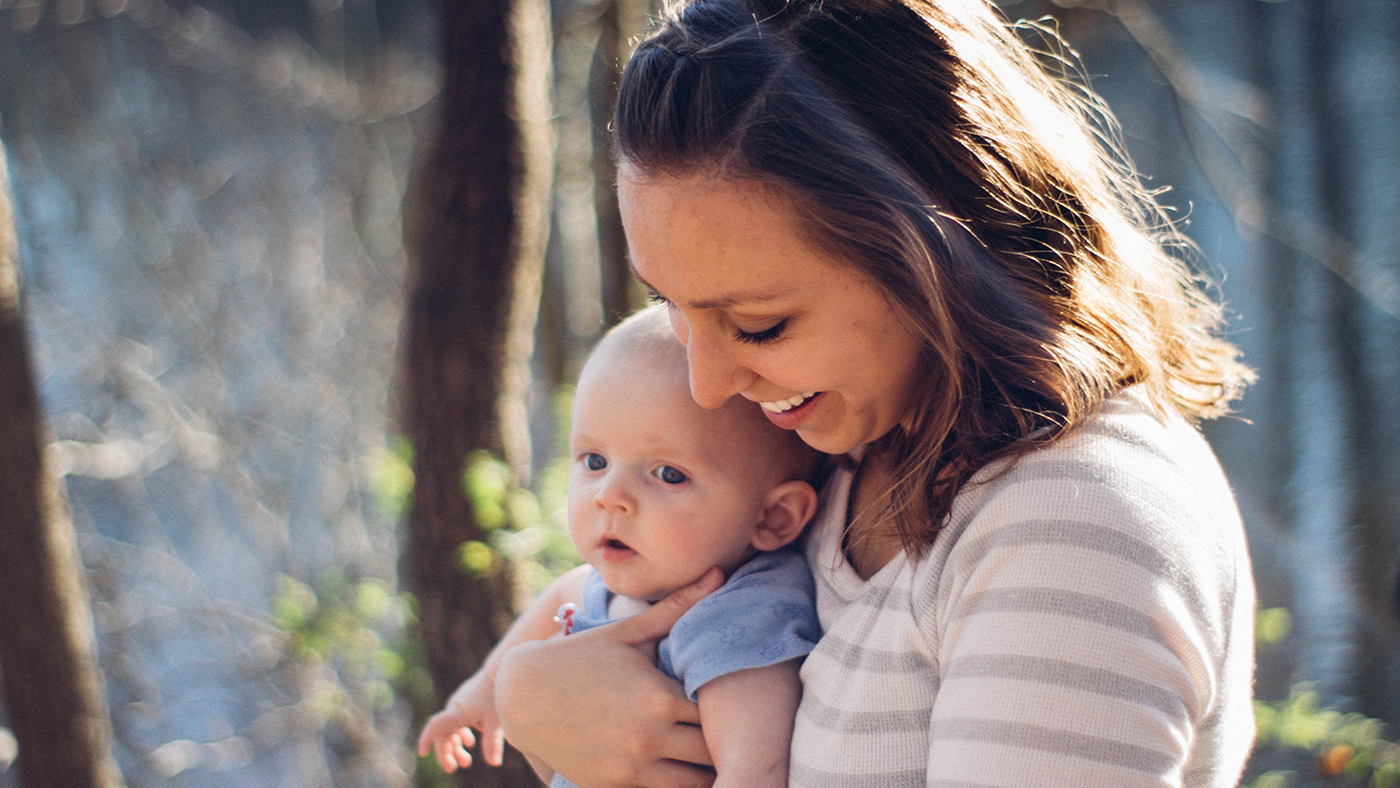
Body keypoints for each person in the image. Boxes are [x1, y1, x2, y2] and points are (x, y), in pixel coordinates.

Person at [490, 0, 1259, 787]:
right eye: (673, 308)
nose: (707, 386)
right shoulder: (852, 443)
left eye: (759, 325)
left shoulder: (1074, 524)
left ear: (939, 252)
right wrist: (528, 689)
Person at [417, 306, 825, 788]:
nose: (609, 496)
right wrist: (475, 699)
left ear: (773, 517)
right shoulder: (606, 585)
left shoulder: (739, 617)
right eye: (594, 460)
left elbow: (756, 771)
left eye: (668, 474)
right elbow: (555, 601)